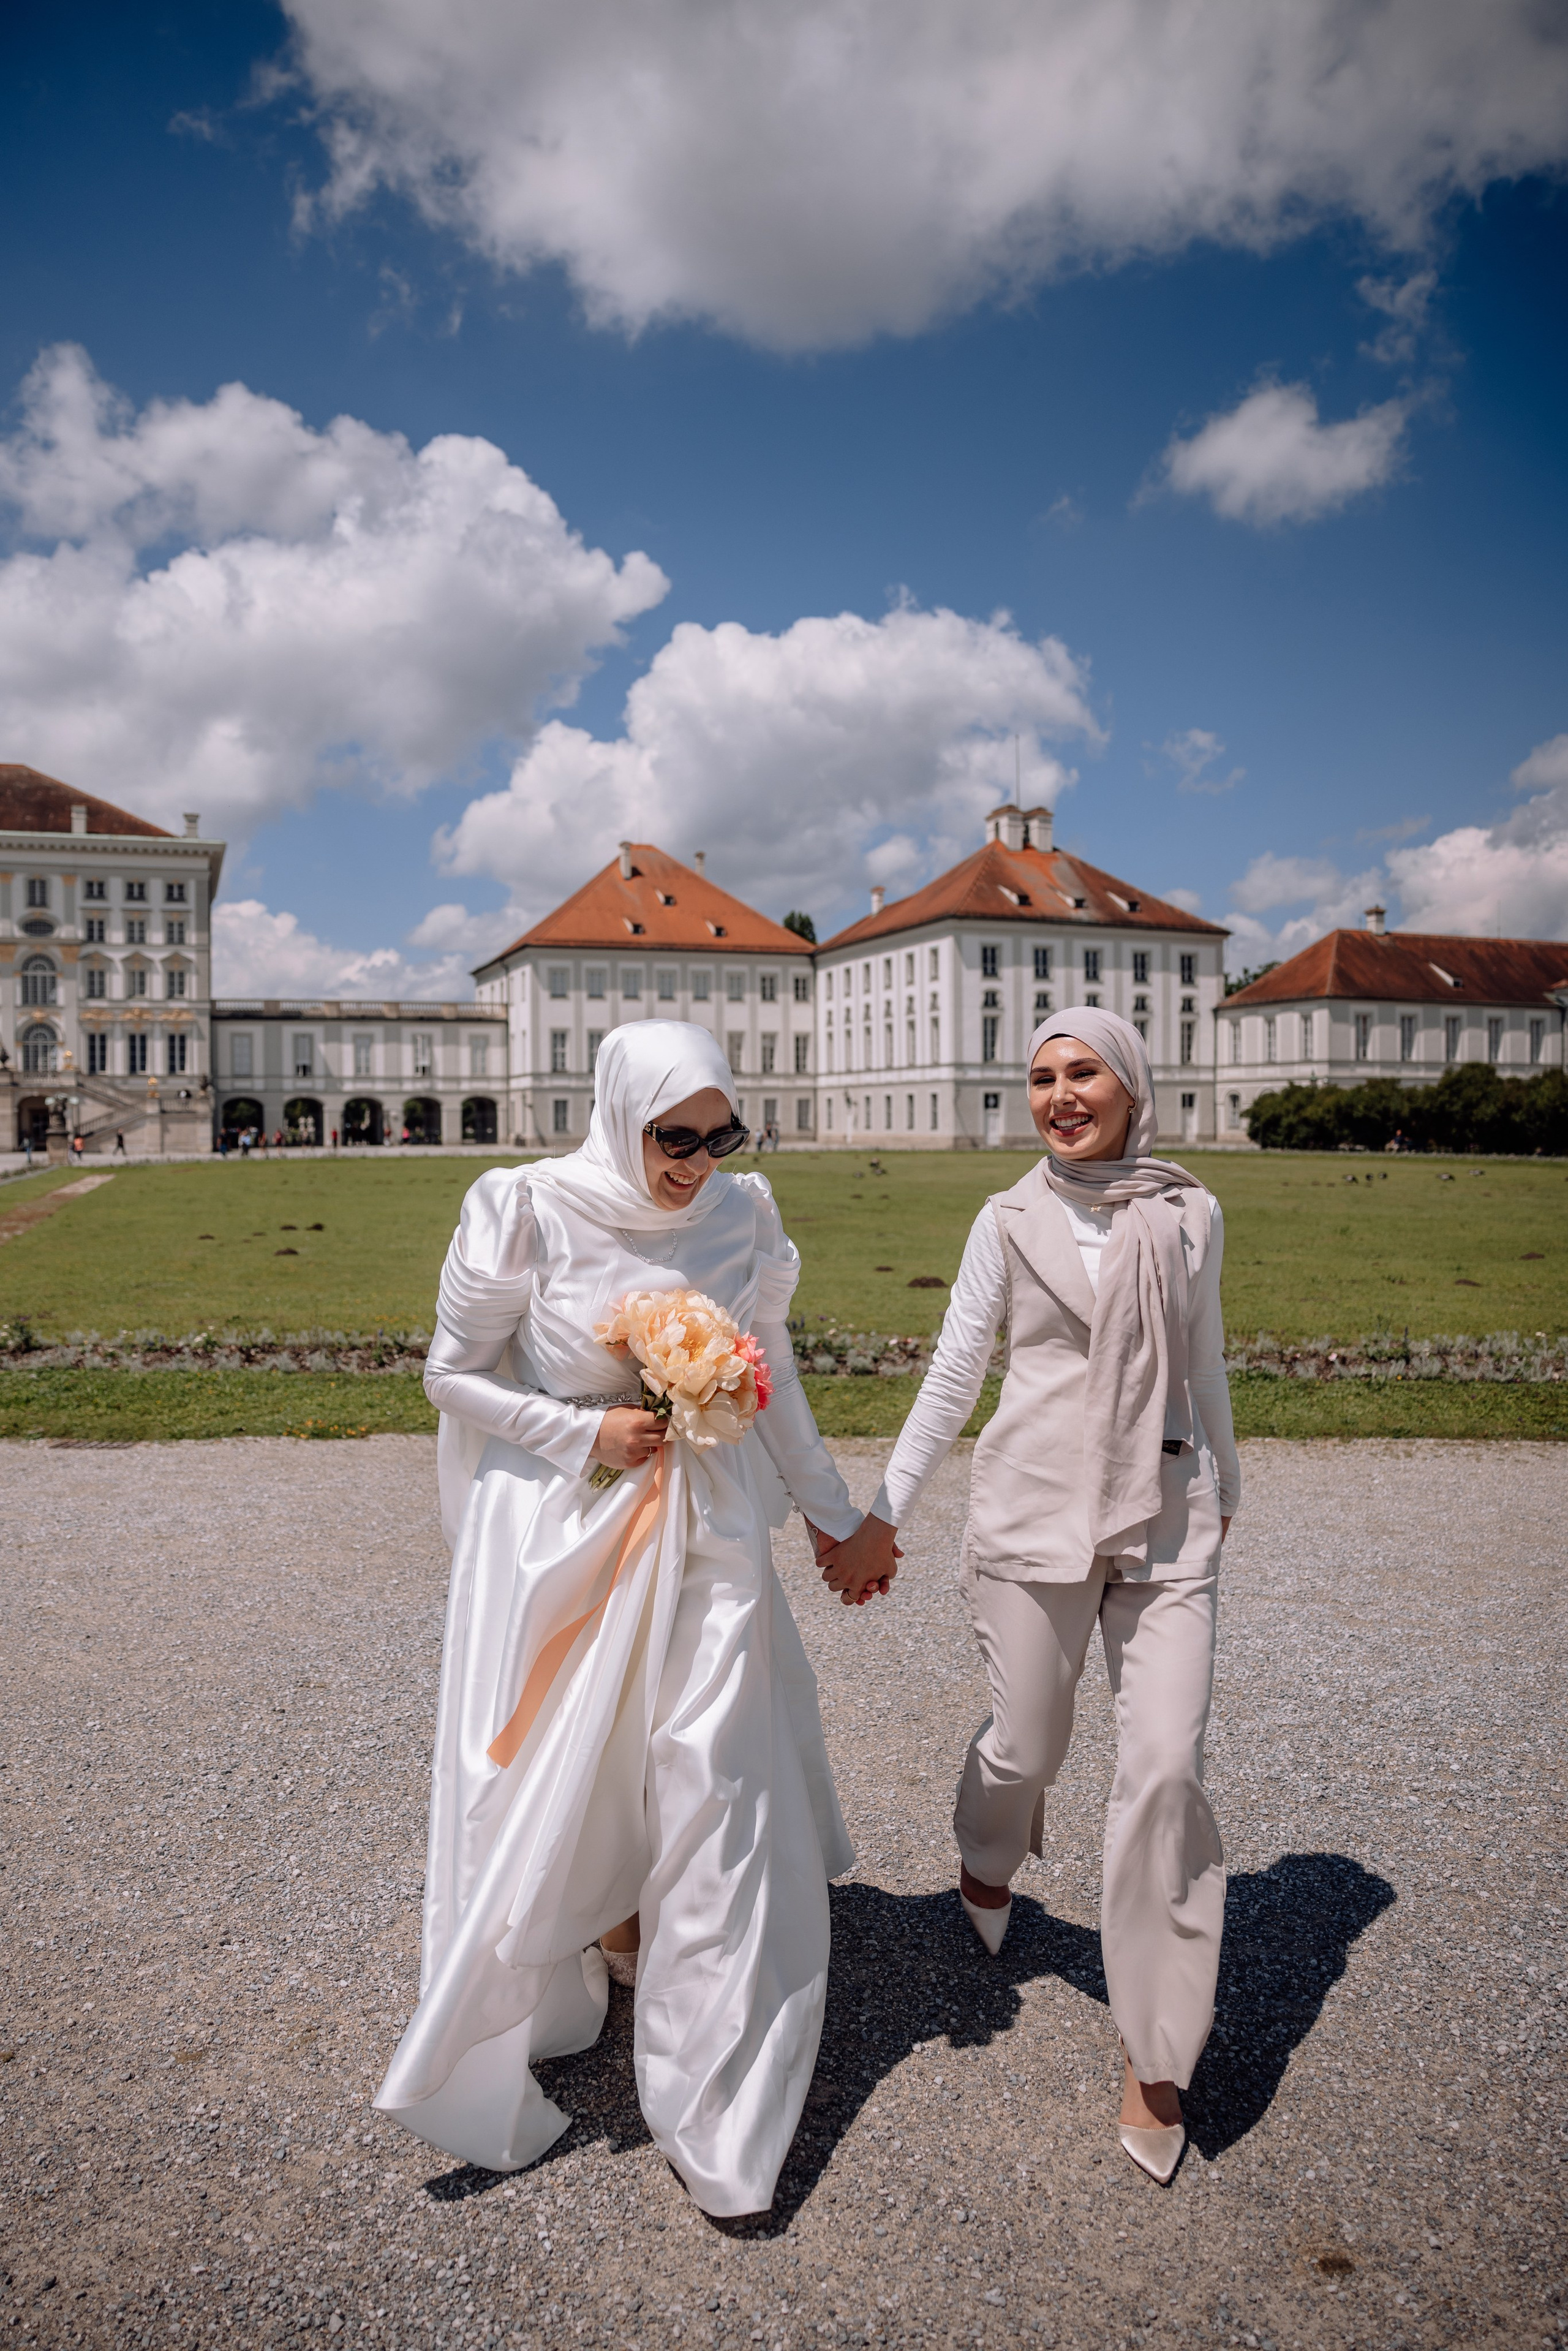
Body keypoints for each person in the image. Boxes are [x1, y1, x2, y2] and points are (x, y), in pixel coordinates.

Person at [375, 1022, 874, 2216]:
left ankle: (713, 2087)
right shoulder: (523, 1204)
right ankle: (609, 1931)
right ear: (620, 1114)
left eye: (721, 1133)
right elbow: (450, 1371)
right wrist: (580, 1430)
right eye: (675, 1136)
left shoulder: (744, 1213)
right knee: (576, 1769)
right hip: (560, 1529)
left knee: (713, 1772)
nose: (699, 1160)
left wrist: (829, 1511)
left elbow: (774, 1371)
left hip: (705, 1527)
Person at [825, 1008, 1240, 2183]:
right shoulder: (1007, 1216)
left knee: (1163, 1770)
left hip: (1165, 1523)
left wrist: (1226, 1477)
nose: (1060, 1094)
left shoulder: (1191, 1210)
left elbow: (1203, 1353)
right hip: (1031, 1517)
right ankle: (986, 1846)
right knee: (1027, 1743)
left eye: (1083, 1071)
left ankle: (1158, 2052)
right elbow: (958, 1364)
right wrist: (885, 1511)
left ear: (1133, 1080)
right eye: (1041, 1077)